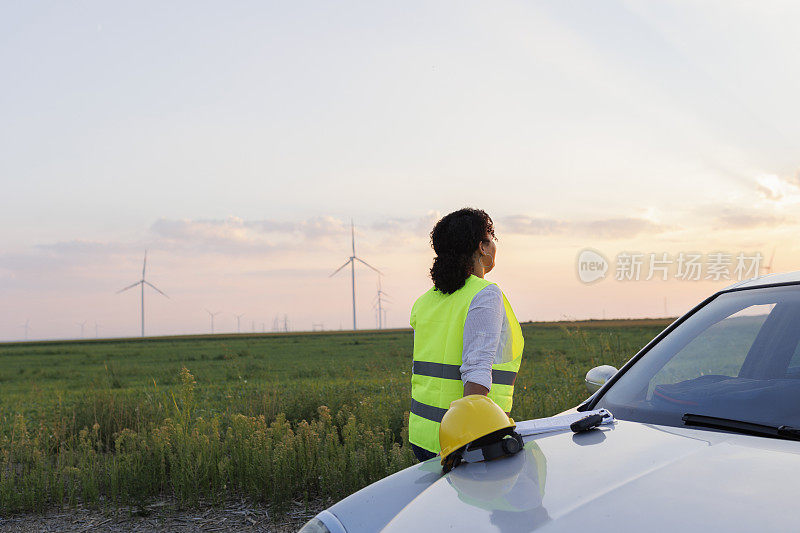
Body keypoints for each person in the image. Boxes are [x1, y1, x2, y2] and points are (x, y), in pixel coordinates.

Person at [409, 208, 524, 462]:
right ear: (482, 247)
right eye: (491, 239)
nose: (494, 246)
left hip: (423, 436)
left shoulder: (424, 302)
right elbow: (476, 371)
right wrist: (465, 440)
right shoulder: (484, 294)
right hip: (461, 440)